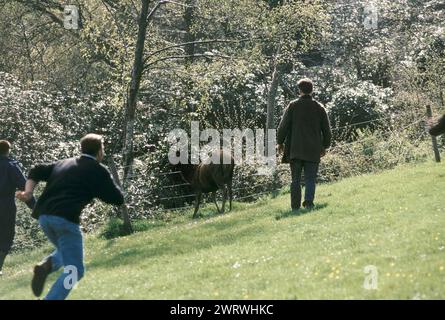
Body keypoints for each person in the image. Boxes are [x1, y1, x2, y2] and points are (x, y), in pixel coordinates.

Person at [16, 134, 124, 300]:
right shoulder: (97, 170)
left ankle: (47, 265)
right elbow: (117, 199)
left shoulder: (63, 163)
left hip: (44, 216)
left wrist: (29, 192)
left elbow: (36, 170)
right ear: (100, 151)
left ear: (82, 148)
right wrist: (100, 187)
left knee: (66, 251)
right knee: (75, 271)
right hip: (64, 219)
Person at [277, 78, 332, 212]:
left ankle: (295, 206)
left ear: (299, 90)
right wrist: (325, 146)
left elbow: (283, 126)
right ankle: (308, 203)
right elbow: (327, 130)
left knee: (295, 179)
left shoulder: (293, 106)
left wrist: (280, 142)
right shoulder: (319, 107)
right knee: (310, 179)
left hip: (295, 149)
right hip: (313, 149)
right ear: (312, 90)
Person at [0, 140, 35, 276]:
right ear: (8, 150)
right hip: (5, 205)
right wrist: (35, 207)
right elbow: (24, 188)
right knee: (6, 236)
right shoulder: (10, 166)